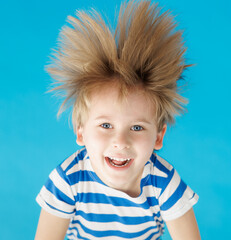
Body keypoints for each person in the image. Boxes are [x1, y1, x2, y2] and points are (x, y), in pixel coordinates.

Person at [35, 0, 201, 239]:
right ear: (80, 131)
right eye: (105, 125)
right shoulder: (68, 180)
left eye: (136, 127)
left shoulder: (164, 183)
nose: (120, 141)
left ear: (158, 136)